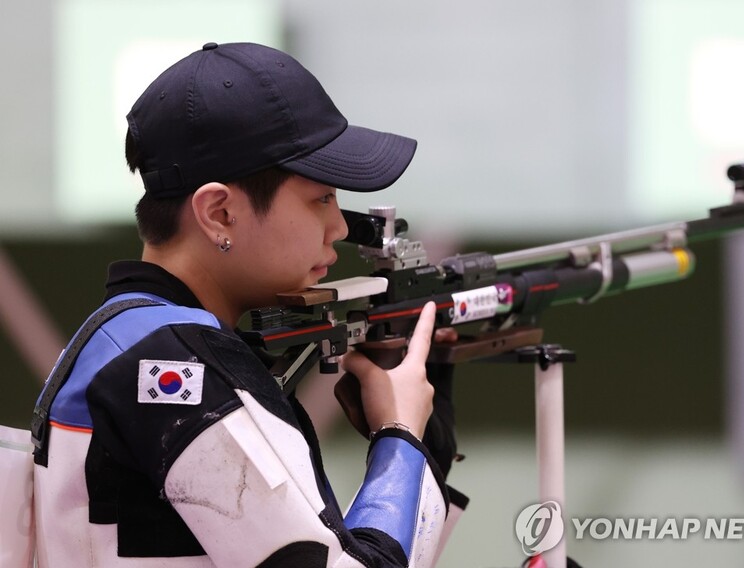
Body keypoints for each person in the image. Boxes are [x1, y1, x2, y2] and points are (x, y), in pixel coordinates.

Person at [31, 42, 462, 567]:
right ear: (219, 213)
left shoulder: (127, 340)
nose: (341, 226)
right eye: (320, 198)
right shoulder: (178, 363)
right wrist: (400, 436)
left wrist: (423, 440)